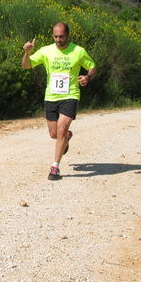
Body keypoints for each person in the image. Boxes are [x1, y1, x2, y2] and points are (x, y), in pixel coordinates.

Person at [22, 22, 97, 180]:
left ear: (68, 35)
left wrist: (88, 77)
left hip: (70, 95)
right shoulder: (46, 51)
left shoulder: (78, 51)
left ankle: (55, 168)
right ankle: (66, 137)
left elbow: (92, 67)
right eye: (55, 36)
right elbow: (26, 66)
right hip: (51, 96)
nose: (58, 40)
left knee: (61, 130)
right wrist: (27, 53)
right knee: (54, 134)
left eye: (61, 36)